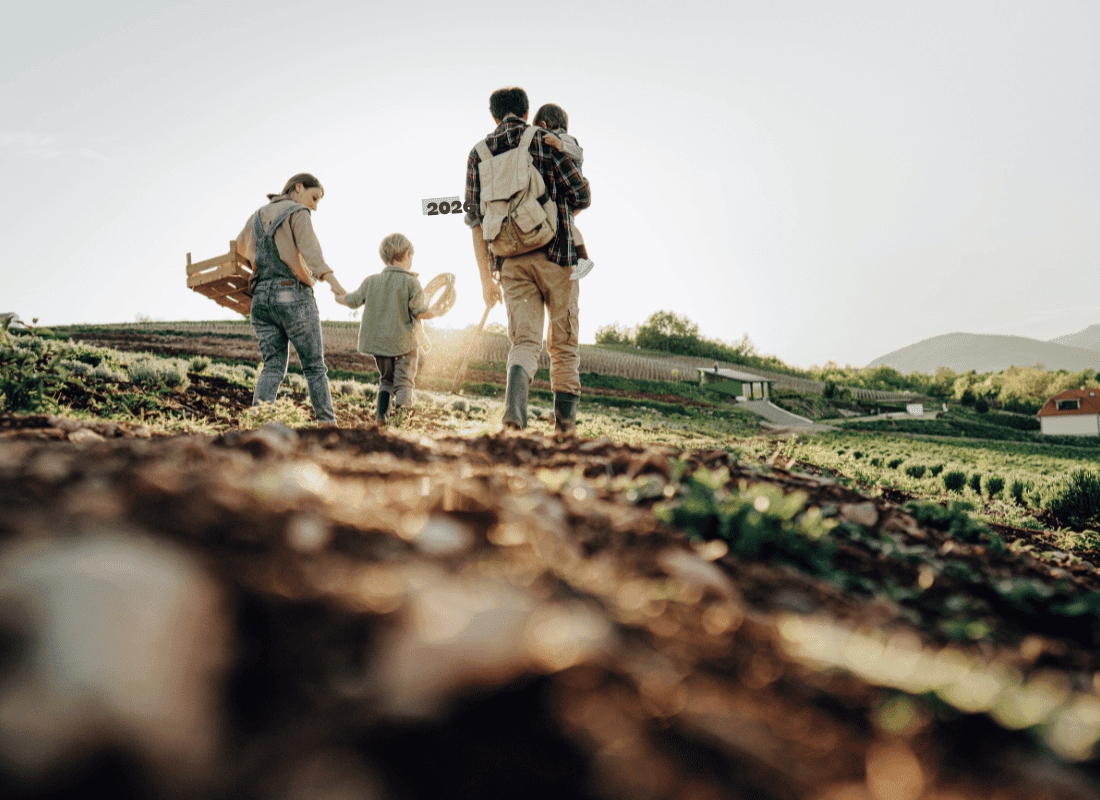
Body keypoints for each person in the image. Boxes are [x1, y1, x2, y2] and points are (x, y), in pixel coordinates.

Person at [464, 87, 591, 434]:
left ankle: (513, 418)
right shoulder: (543, 139)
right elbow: (581, 193)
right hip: (558, 253)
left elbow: (475, 221)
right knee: (563, 343)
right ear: (527, 110)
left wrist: (486, 280)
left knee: (524, 343)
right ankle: (564, 431)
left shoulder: (478, 153)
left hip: (509, 262)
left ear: (493, 115)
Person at [235, 173, 347, 426]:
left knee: (272, 367)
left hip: (261, 298)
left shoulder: (257, 215)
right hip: (291, 294)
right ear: (298, 188)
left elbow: (240, 250)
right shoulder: (298, 211)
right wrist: (336, 286)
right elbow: (312, 254)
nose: (315, 206)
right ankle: (328, 426)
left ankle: (259, 424)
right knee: (314, 367)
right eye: (314, 197)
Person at [336, 233, 433, 425]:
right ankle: (402, 422)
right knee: (404, 382)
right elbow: (419, 310)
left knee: (386, 380)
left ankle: (381, 418)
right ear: (406, 254)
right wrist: (435, 311)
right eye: (411, 256)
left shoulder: (371, 281)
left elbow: (353, 300)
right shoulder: (411, 282)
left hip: (379, 345)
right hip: (403, 344)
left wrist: (339, 297)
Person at [531, 103, 595, 280]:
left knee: (569, 225)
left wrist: (560, 144)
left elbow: (579, 153)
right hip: (565, 194)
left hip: (569, 195)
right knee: (566, 224)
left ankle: (583, 258)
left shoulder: (566, 139)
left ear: (543, 124)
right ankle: (581, 257)